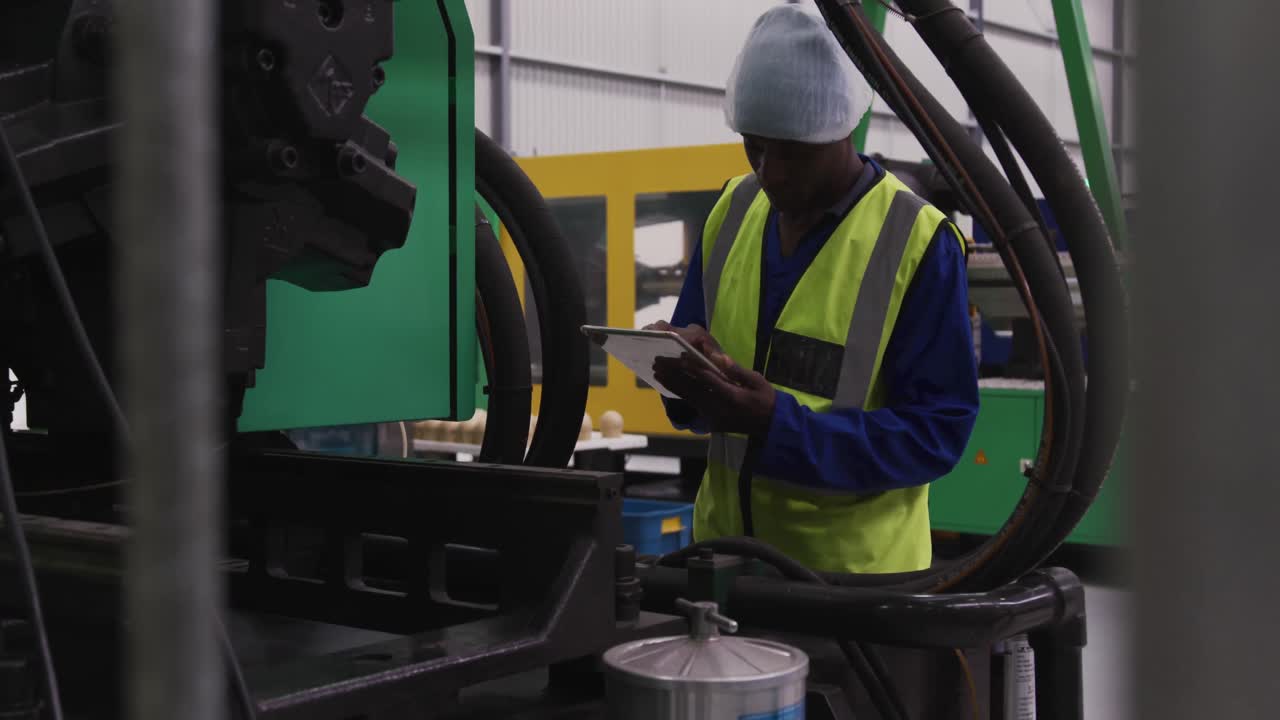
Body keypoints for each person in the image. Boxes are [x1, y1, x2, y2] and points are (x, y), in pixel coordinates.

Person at [648, 5, 978, 574]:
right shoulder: (732, 210)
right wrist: (684, 376)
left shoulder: (917, 241)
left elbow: (935, 434)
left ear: (842, 131)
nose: (770, 171)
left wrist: (778, 424)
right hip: (725, 565)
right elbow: (700, 398)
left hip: (853, 584)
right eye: (755, 147)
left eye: (793, 153)